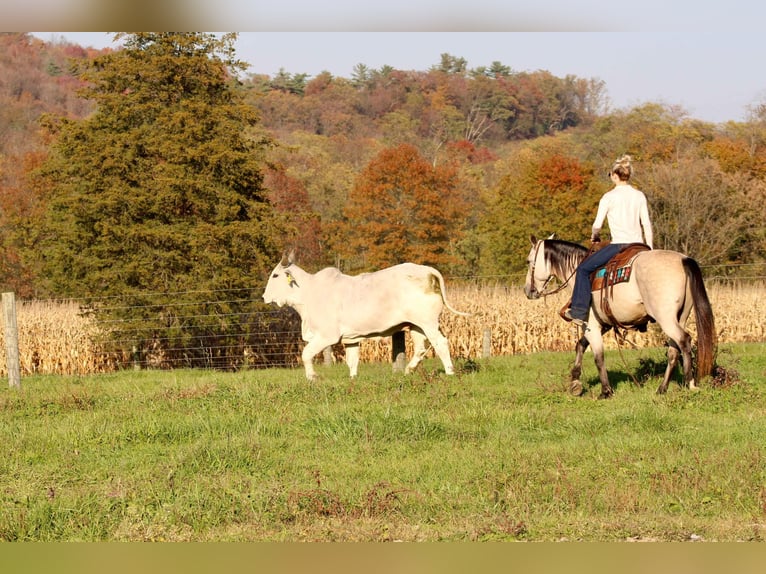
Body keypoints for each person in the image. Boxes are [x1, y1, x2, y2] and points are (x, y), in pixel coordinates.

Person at [564, 154, 653, 327]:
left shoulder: (609, 197)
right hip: (640, 245)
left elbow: (597, 225)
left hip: (620, 244)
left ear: (614, 175)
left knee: (583, 269)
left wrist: (595, 235)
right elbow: (647, 224)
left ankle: (579, 311)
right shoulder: (639, 195)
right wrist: (649, 248)